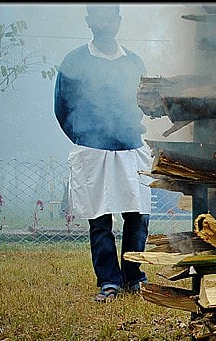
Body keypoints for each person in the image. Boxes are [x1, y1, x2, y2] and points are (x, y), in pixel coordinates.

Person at [54, 4, 153, 302]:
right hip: (93, 151)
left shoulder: (133, 63)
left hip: (131, 148)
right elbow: (62, 109)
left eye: (110, 16)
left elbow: (146, 104)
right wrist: (85, 138)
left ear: (119, 21)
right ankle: (109, 281)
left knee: (137, 216)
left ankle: (134, 277)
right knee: (100, 219)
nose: (105, 23)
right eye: (98, 16)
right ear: (89, 21)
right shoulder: (74, 62)